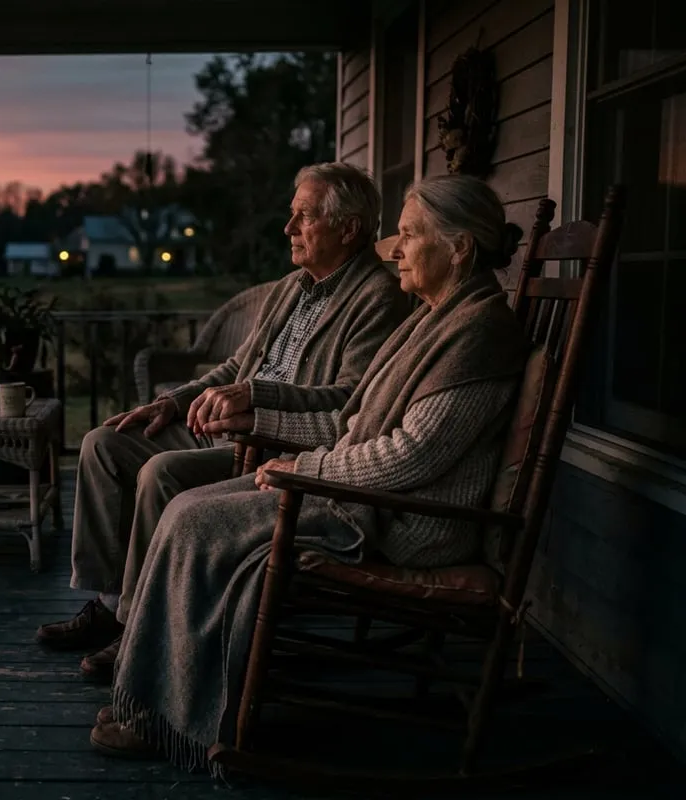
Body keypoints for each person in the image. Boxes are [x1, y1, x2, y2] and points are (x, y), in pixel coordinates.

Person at [90, 174, 530, 769]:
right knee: (183, 507)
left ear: (460, 248)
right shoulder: (435, 318)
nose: (395, 248)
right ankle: (147, 686)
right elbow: (351, 423)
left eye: (409, 235)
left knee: (195, 521)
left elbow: (412, 454)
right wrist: (280, 443)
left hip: (405, 519)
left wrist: (308, 467)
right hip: (363, 491)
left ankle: (164, 714)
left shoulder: (478, 331)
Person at [34, 163, 412, 683]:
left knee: (161, 473)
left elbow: (349, 401)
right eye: (291, 215)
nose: (289, 229)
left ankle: (137, 628)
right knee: (104, 442)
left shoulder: (377, 298)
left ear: (347, 228)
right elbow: (237, 366)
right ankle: (109, 603)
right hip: (223, 419)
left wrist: (256, 395)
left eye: (303, 217)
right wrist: (173, 401)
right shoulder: (290, 287)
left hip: (270, 439)